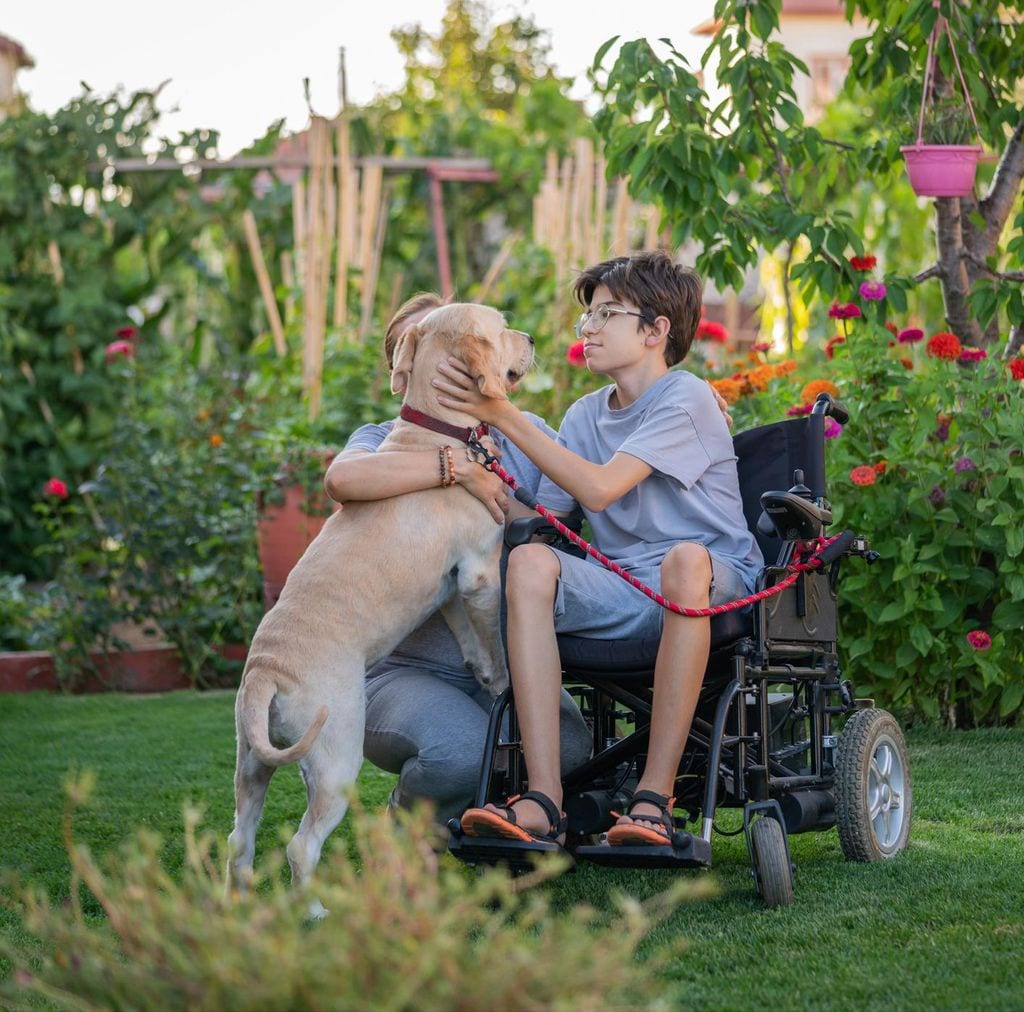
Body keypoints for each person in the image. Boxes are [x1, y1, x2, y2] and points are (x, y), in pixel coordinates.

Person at [432, 251, 763, 851]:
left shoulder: (684, 396)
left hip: (707, 585)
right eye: (587, 315)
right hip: (624, 587)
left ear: (656, 330)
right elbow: (548, 525)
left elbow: (601, 488)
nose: (588, 329)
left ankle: (653, 798)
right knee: (531, 562)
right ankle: (542, 799)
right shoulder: (584, 415)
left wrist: (502, 413)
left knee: (682, 560)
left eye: (607, 313)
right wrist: (482, 479)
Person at [324, 293, 592, 826]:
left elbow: (570, 515)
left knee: (570, 751)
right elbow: (343, 479)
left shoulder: (523, 431)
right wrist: (457, 467)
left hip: (504, 663)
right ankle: (406, 830)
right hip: (398, 674)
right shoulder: (383, 440)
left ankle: (492, 820)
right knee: (460, 753)